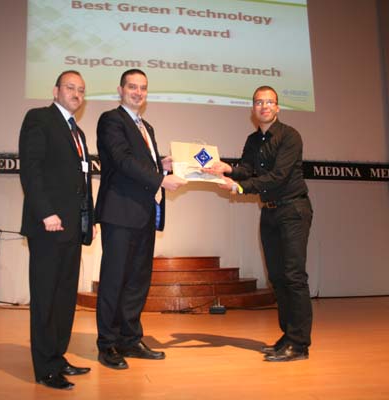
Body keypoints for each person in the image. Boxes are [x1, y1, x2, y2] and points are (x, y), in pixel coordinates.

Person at [205, 86, 313, 362]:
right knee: (276, 277)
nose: (264, 106)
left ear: (277, 107)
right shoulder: (253, 140)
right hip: (270, 212)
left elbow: (278, 177)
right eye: (258, 102)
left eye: (269, 102)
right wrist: (227, 169)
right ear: (253, 109)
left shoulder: (290, 136)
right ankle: (288, 336)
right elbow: (246, 168)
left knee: (294, 276)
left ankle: (299, 344)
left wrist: (239, 187)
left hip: (293, 210)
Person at [94, 69, 187, 369]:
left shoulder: (147, 127)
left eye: (143, 88)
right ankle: (108, 344)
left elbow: (141, 163)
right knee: (114, 279)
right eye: (132, 87)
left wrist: (162, 164)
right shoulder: (111, 120)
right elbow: (122, 160)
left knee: (137, 281)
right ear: (120, 90)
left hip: (144, 213)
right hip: (120, 212)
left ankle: (130, 339)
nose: (138, 92)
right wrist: (161, 179)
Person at [18, 70, 95, 390]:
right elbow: (31, 169)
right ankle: (45, 368)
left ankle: (58, 356)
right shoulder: (39, 119)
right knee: (46, 298)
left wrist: (88, 220)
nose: (76, 94)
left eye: (81, 90)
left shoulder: (78, 132)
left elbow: (81, 180)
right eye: (70, 88)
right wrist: (46, 212)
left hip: (72, 227)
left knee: (64, 298)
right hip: (49, 226)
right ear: (55, 91)